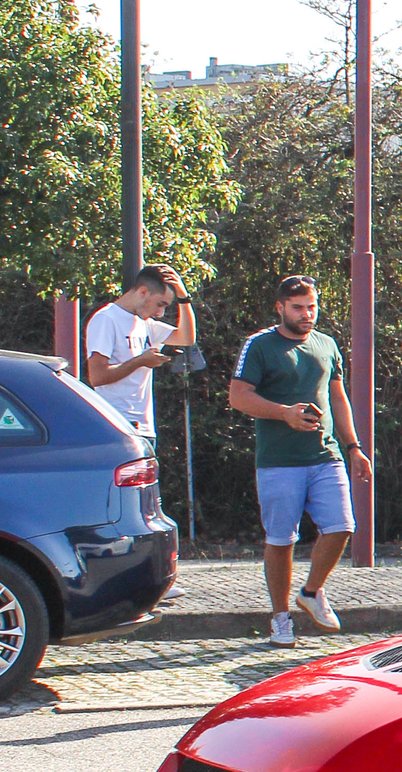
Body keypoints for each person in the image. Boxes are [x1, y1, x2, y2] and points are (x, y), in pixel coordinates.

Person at [227, 276, 373, 647]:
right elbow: (239, 397)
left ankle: (311, 591)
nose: (307, 314)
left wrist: (354, 446)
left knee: (341, 526)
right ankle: (280, 619)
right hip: (278, 460)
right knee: (281, 540)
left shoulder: (326, 344)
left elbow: (337, 398)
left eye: (312, 307)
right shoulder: (260, 345)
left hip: (326, 455)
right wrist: (284, 413)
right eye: (298, 308)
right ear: (280, 308)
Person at [82, 265, 196, 440]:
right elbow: (97, 377)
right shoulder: (106, 318)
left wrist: (184, 298)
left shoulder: (145, 323)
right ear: (143, 292)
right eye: (160, 304)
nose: (160, 313)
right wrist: (140, 361)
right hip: (117, 426)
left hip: (144, 428)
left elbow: (187, 338)